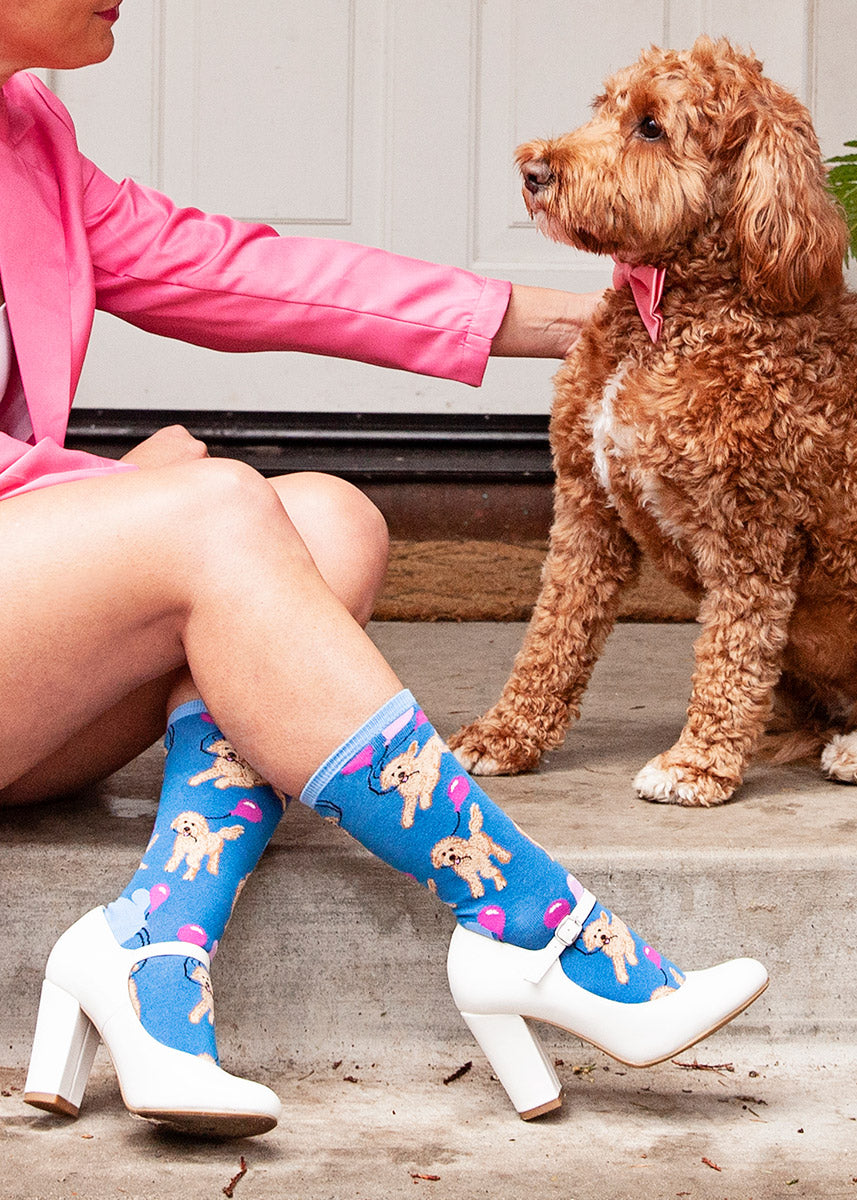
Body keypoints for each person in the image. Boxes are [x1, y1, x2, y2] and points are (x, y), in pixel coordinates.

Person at [4, 1, 767, 1139]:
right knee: (213, 508)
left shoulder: (30, 137)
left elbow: (249, 275)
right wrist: (111, 492)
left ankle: (151, 948)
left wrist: (608, 316)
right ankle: (541, 927)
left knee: (328, 522)